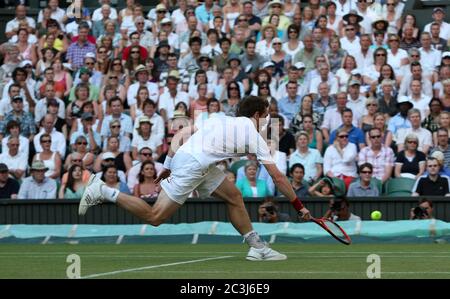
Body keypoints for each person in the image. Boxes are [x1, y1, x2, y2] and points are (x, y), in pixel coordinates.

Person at [79, 96, 311, 261]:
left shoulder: (218, 119)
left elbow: (182, 133)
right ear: (257, 115)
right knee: (155, 217)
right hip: (194, 165)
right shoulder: (254, 134)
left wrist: (169, 164)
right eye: (267, 115)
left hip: (190, 159)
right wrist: (299, 206)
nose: (268, 119)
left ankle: (257, 247)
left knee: (234, 197)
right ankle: (103, 190)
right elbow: (278, 177)